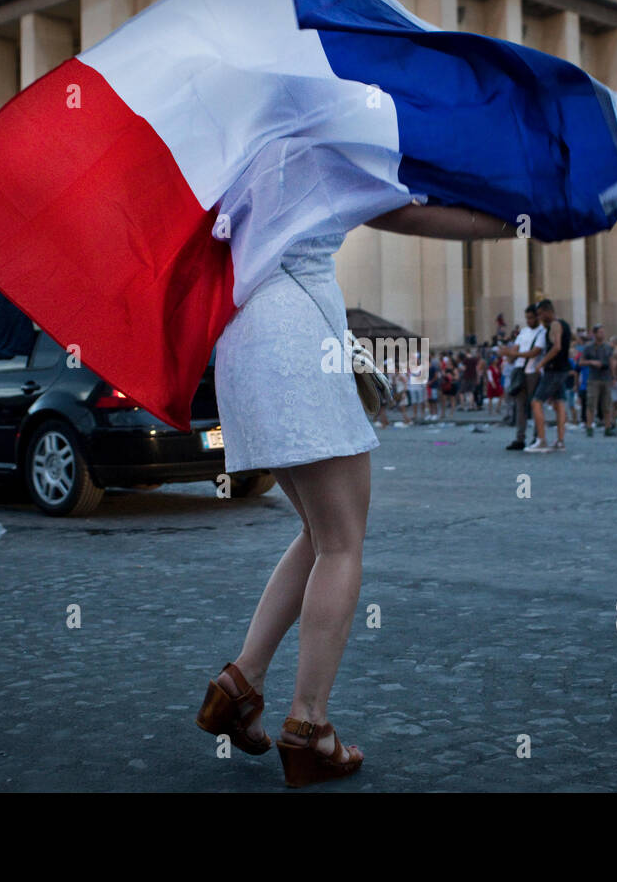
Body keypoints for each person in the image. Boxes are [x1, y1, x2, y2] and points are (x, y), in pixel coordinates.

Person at [194, 202, 517, 787]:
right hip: (300, 341)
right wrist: (513, 219)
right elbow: (405, 212)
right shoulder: (322, 127)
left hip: (242, 343)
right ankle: (309, 725)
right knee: (342, 543)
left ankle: (239, 686)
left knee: (320, 533)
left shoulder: (239, 140)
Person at [526, 299, 571, 453]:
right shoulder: (565, 324)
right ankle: (560, 441)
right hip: (562, 369)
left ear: (547, 311)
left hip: (554, 370)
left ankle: (541, 439)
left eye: (540, 314)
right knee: (559, 403)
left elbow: (557, 346)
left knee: (536, 402)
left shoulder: (555, 325)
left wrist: (541, 363)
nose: (539, 318)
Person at [498, 305, 545, 451]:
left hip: (533, 372)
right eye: (527, 318)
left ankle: (537, 437)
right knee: (520, 406)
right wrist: (507, 353)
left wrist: (514, 354)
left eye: (531, 317)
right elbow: (515, 350)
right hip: (519, 370)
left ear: (537, 316)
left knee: (535, 405)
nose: (529, 321)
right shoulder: (523, 332)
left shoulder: (542, 332)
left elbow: (534, 352)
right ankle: (520, 438)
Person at [581, 325, 613, 436]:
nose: (602, 334)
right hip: (593, 378)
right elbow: (581, 362)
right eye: (600, 332)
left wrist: (613, 377)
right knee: (591, 404)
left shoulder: (608, 347)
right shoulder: (588, 347)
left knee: (607, 404)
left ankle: (608, 427)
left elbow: (611, 362)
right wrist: (591, 362)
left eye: (603, 332)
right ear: (594, 334)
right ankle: (589, 427)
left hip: (606, 378)